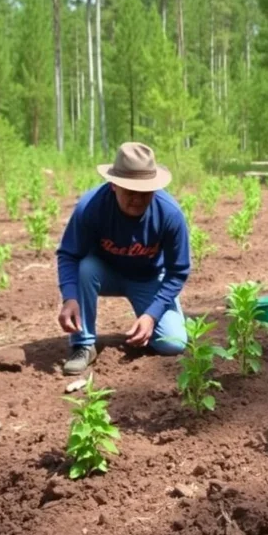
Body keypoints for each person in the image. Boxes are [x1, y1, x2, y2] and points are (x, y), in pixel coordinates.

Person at [55, 142, 190, 376]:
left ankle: (154, 318)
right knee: (86, 267)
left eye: (145, 192)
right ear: (113, 185)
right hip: (103, 273)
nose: (137, 199)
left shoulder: (169, 214)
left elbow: (178, 271)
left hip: (148, 278)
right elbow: (68, 254)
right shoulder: (91, 207)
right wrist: (70, 297)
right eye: (130, 191)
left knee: (173, 344)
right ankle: (83, 344)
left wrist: (152, 314)